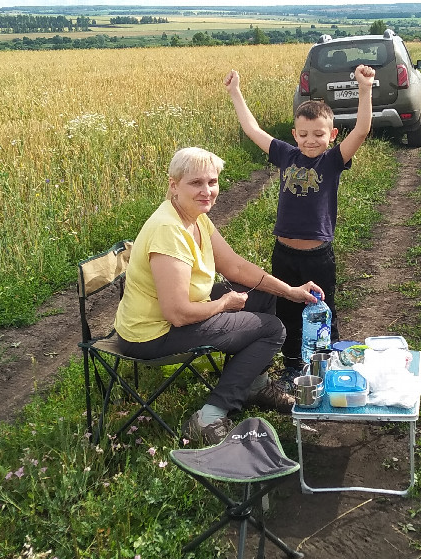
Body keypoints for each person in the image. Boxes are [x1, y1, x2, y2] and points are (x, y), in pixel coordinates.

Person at [114, 147, 326, 445]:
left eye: (212, 182)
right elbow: (177, 313)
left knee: (264, 298)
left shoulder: (196, 217)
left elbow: (236, 266)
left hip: (174, 314)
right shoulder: (168, 231)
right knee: (272, 330)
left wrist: (290, 291)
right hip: (151, 333)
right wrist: (224, 304)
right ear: (174, 185)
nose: (207, 191)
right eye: (196, 183)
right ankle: (210, 415)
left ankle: (254, 384)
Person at [223, 63, 376, 385]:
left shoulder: (333, 160)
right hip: (284, 253)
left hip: (318, 256)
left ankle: (326, 362)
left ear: (332, 135)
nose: (310, 141)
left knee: (324, 309)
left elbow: (361, 130)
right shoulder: (286, 155)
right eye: (303, 134)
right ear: (294, 134)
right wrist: (235, 92)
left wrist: (365, 89)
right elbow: (253, 130)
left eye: (319, 134)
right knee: (288, 311)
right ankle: (293, 365)